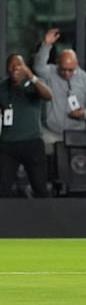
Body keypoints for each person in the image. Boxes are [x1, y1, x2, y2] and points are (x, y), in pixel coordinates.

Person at [33, 28, 86, 154]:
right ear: (58, 63)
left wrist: (84, 113)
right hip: (51, 133)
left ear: (77, 64)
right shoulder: (50, 72)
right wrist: (47, 45)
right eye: (63, 69)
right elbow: (38, 67)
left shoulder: (85, 78)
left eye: (71, 70)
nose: (67, 73)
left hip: (77, 133)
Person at [0, 54, 53, 197]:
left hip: (32, 142)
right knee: (2, 189)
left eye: (18, 65)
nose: (15, 68)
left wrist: (31, 76)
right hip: (8, 145)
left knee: (40, 188)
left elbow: (48, 96)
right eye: (11, 65)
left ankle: (43, 218)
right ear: (6, 68)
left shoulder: (33, 84)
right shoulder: (3, 87)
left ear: (25, 67)